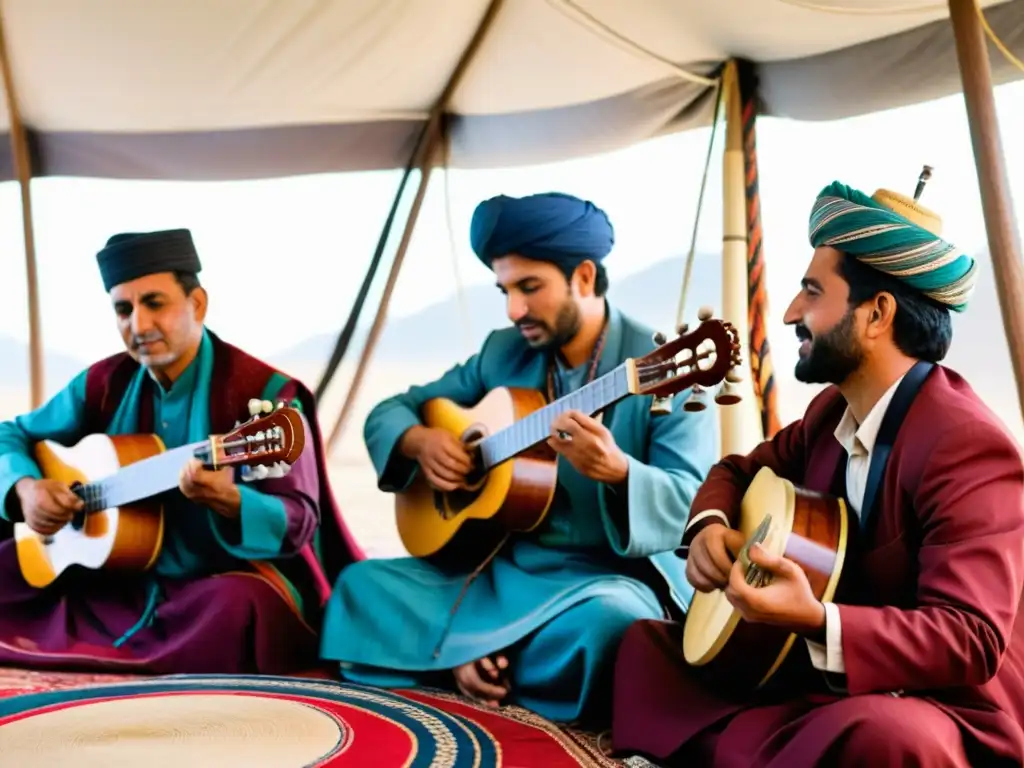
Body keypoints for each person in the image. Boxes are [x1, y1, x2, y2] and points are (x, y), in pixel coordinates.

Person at [611, 180, 1024, 766]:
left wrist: (813, 619)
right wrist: (707, 526)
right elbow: (736, 470)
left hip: (943, 706)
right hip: (821, 679)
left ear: (877, 314)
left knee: (882, 738)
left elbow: (971, 639)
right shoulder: (831, 410)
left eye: (812, 291)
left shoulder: (967, 445)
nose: (789, 314)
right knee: (643, 647)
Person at [319, 192, 718, 724]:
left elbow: (692, 503)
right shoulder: (502, 353)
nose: (514, 309)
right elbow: (390, 412)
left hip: (602, 583)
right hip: (499, 573)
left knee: (615, 629)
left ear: (582, 276)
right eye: (505, 289)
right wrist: (420, 441)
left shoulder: (662, 367)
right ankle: (480, 657)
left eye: (530, 288)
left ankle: (460, 657)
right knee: (360, 586)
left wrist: (619, 473)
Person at [0, 228, 364, 675]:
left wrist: (233, 501)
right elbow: (9, 435)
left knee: (243, 607)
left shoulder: (264, 396)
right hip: (119, 579)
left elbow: (300, 521)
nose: (139, 325)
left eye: (155, 303)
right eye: (123, 309)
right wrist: (26, 488)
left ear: (197, 304)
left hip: (207, 588)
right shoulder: (101, 383)